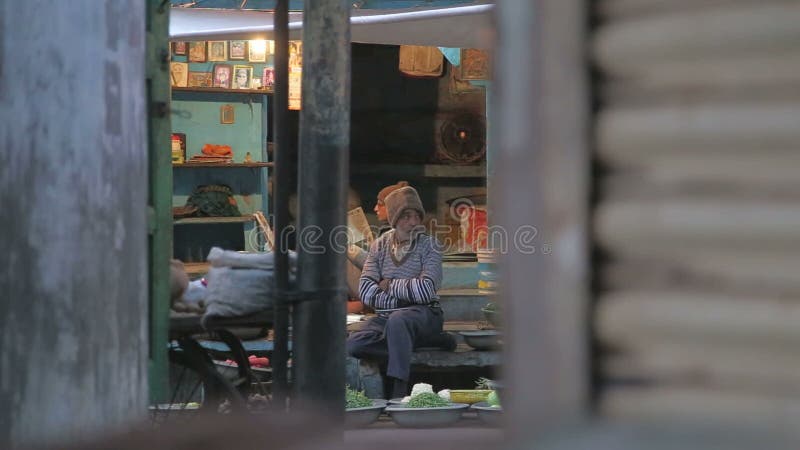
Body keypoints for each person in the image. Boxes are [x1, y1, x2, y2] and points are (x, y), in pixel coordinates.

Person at [346, 186, 456, 399]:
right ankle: (434, 341)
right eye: (407, 216)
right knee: (354, 344)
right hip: (387, 319)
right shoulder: (379, 246)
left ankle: (398, 392)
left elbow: (425, 291)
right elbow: (366, 291)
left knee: (399, 319)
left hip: (425, 315)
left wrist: (390, 284)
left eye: (417, 216)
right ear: (394, 219)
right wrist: (405, 288)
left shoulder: (430, 245)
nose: (414, 222)